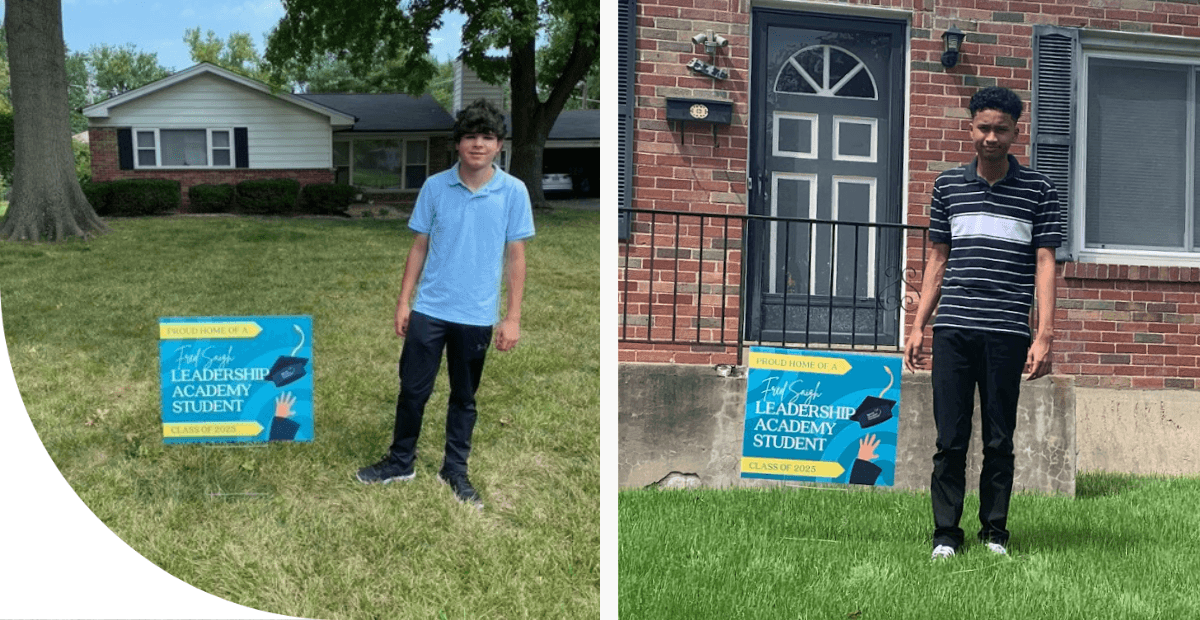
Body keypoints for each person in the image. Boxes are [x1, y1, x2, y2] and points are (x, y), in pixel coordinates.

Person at [903, 86, 1060, 560]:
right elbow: (936, 258)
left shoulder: (1040, 190)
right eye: (984, 127)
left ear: (1016, 131)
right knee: (949, 439)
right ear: (971, 127)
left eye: (1002, 129)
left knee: (999, 438)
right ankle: (946, 535)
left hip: (1008, 330)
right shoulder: (947, 186)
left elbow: (1047, 263)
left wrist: (1044, 334)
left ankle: (994, 533)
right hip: (954, 328)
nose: (991, 137)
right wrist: (917, 325)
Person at [355, 98, 535, 510]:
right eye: (470, 136)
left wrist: (512, 317)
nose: (478, 144)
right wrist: (404, 302)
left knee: (464, 397)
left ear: (499, 146)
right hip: (430, 310)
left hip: (476, 315)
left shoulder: (513, 192)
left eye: (487, 137)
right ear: (457, 144)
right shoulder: (435, 187)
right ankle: (400, 462)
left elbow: (516, 257)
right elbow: (419, 246)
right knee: (412, 391)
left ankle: (454, 469)